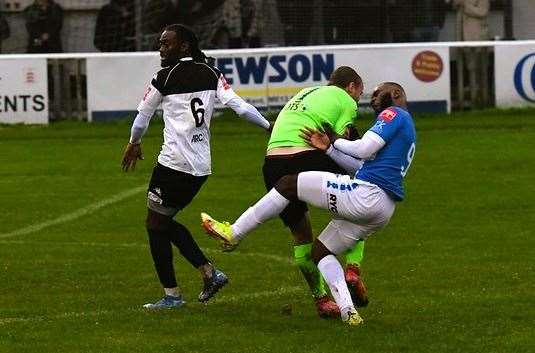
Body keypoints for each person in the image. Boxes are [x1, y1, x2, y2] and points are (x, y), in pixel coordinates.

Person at [202, 82, 417, 326]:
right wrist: (328, 149)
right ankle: (349, 311)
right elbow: (361, 167)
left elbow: (364, 148)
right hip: (383, 210)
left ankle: (233, 233)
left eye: (379, 93)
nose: (373, 97)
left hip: (365, 195)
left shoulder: (394, 114)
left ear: (397, 94)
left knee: (286, 184)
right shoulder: (407, 129)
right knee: (320, 252)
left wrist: (335, 139)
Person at [121, 24, 271, 309]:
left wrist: (134, 142)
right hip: (201, 168)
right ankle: (206, 275)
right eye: (160, 43)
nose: (161, 49)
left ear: (185, 46)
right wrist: (267, 126)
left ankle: (175, 294)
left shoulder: (163, 78)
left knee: (155, 225)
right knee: (160, 223)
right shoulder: (212, 73)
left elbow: (143, 116)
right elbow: (240, 108)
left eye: (166, 44)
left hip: (174, 164)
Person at [207, 66, 369, 318]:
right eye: (360, 91)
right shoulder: (346, 100)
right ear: (351, 87)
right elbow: (340, 139)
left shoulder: (306, 92)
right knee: (360, 199)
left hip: (273, 163)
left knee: (301, 234)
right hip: (306, 155)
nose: (359, 97)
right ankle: (352, 269)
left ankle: (322, 300)